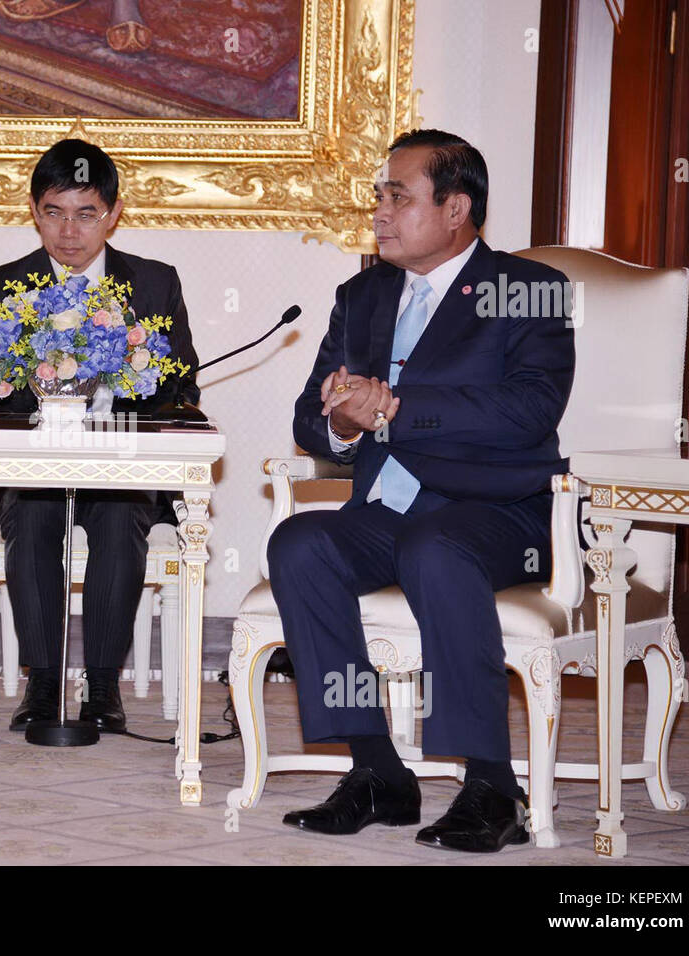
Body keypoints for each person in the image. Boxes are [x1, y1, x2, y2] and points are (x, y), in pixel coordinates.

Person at [267, 129, 575, 852]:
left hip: (499, 515)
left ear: (456, 208)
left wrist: (397, 408)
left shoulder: (525, 289)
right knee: (300, 542)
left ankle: (494, 786)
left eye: (397, 196)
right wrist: (343, 423)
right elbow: (310, 422)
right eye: (379, 194)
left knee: (438, 549)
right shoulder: (363, 294)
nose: (379, 210)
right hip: (388, 512)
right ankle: (378, 772)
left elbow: (529, 410)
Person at [0, 138, 198, 733]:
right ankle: (43, 686)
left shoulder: (153, 284)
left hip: (121, 466)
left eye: (86, 213)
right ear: (34, 211)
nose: (69, 232)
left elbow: (182, 385)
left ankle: (101, 688)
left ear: (114, 213)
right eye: (54, 212)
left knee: (120, 518)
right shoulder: (2, 285)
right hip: (31, 469)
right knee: (36, 514)